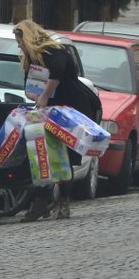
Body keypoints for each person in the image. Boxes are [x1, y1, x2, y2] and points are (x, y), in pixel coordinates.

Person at [13, 19, 99, 222]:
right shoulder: (31, 59)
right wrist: (35, 96)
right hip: (50, 110)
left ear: (28, 38)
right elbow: (33, 86)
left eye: (20, 41)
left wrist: (43, 96)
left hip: (70, 108)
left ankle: (62, 203)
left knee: (63, 155)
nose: (19, 46)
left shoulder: (53, 51)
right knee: (44, 152)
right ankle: (43, 201)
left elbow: (57, 73)